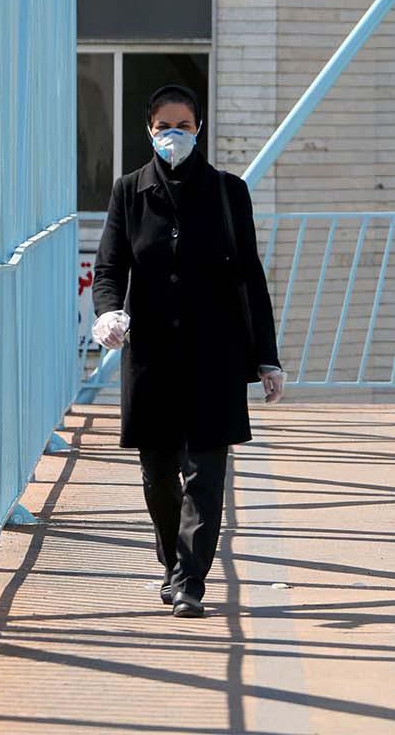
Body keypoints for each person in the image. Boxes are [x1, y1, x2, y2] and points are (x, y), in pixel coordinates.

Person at [91, 83, 284, 619]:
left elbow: (250, 276)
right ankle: (174, 561)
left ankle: (190, 580)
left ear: (198, 128)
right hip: (150, 355)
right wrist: (108, 312)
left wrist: (266, 357)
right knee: (157, 475)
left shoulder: (227, 192)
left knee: (205, 470)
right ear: (149, 132)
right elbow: (109, 269)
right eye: (162, 126)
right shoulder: (129, 192)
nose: (172, 134)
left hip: (213, 353)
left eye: (182, 124)